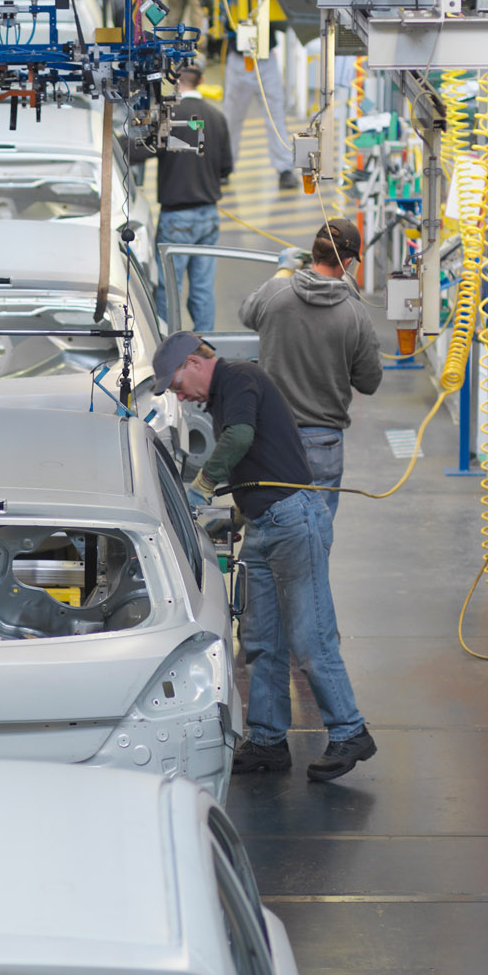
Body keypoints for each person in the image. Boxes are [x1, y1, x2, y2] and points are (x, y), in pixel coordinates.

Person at [151, 332, 373, 785]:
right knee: (259, 638)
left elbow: (241, 437)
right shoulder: (223, 395)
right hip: (265, 522)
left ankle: (350, 732)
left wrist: (202, 486)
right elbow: (256, 456)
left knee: (310, 636)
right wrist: (235, 508)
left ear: (195, 362)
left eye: (175, 385)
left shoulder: (240, 378)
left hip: (292, 520)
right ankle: (269, 740)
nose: (179, 396)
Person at [238, 217, 384, 525]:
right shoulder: (354, 313)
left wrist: (283, 270)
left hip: (273, 435)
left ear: (313, 254)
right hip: (324, 442)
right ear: (347, 262)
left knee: (272, 534)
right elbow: (369, 382)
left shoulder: (276, 293)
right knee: (316, 541)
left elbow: (246, 314)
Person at [153, 66, 233, 336]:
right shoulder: (217, 116)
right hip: (209, 215)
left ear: (175, 84)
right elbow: (226, 168)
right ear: (202, 81)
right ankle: (206, 345)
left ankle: (168, 342)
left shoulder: (168, 116)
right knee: (202, 286)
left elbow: (137, 153)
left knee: (169, 287)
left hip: (177, 217)